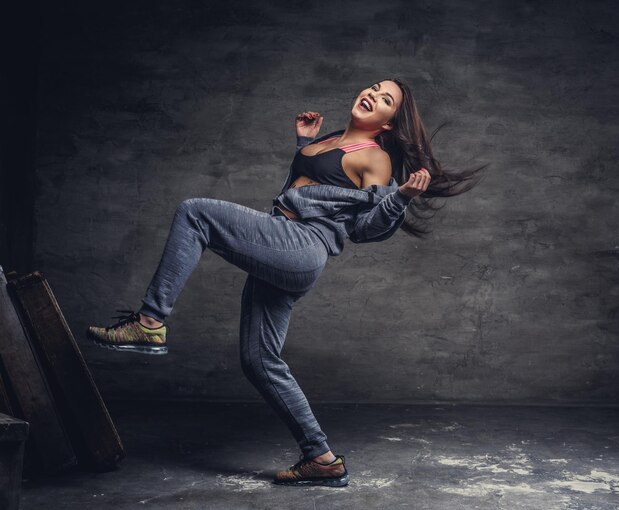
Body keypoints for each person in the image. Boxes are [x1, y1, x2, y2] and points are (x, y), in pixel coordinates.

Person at [86, 78, 485, 487]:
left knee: (195, 213)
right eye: (374, 87)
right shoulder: (331, 138)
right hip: (281, 242)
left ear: (387, 124)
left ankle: (150, 322)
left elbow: (365, 228)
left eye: (386, 100)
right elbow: (307, 191)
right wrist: (302, 144)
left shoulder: (375, 156)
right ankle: (322, 459)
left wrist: (398, 199)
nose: (372, 95)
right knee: (259, 360)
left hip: (301, 246)